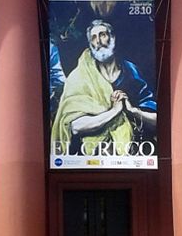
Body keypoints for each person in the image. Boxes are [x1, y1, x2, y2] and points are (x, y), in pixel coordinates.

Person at [49, 18, 157, 156]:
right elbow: (75, 126)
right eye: (93, 38)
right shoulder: (79, 77)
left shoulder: (131, 71)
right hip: (89, 157)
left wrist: (133, 111)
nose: (98, 41)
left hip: (133, 155)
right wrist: (114, 111)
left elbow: (156, 120)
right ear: (89, 44)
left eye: (103, 35)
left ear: (113, 38)